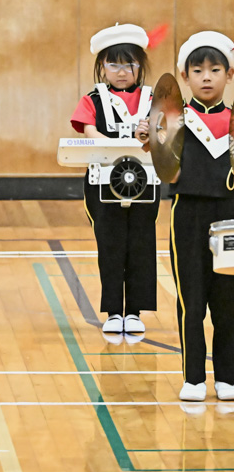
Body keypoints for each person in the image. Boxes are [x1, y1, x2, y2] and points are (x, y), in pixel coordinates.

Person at [69, 23, 161, 337]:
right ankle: (113, 312)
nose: (121, 72)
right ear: (102, 66)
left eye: (129, 64)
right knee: (109, 246)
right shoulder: (92, 99)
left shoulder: (153, 99)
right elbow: (89, 132)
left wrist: (150, 134)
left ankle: (134, 311)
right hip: (103, 185)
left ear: (140, 66)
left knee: (141, 245)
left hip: (144, 185)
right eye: (113, 64)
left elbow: (165, 137)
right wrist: (126, 140)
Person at [167, 32, 234, 402]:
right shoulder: (174, 121)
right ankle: (193, 378)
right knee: (191, 299)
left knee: (229, 300)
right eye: (197, 70)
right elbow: (168, 171)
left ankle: (228, 377)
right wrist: (154, 139)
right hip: (188, 214)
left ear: (229, 75)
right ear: (184, 76)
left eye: (215, 70)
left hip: (230, 215)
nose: (206, 77)